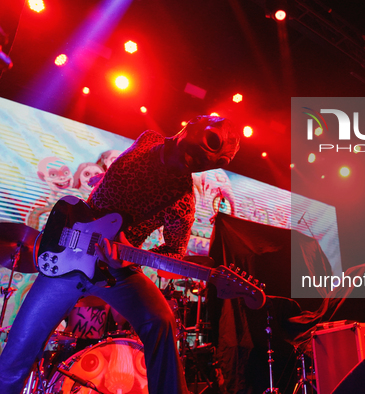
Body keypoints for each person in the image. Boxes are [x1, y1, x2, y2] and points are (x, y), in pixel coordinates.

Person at [0, 115, 240, 393]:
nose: (207, 159)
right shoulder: (148, 139)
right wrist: (104, 180)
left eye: (220, 161)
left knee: (160, 320)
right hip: (69, 252)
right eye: (213, 142)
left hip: (117, 267)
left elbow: (172, 255)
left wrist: (131, 255)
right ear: (195, 123)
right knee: (19, 348)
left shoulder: (182, 200)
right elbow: (120, 181)